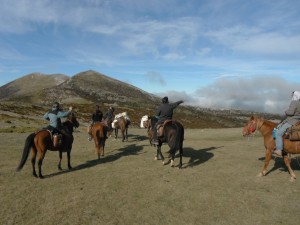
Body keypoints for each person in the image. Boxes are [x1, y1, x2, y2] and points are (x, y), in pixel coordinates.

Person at [273, 91, 300, 156]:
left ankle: (279, 149)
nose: (291, 96)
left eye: (292, 95)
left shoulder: (294, 102)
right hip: (298, 120)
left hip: (292, 121)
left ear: (294, 96)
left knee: (278, 133)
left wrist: (286, 111)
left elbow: (290, 112)